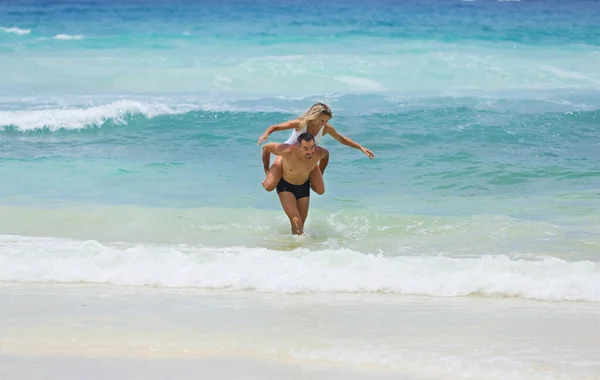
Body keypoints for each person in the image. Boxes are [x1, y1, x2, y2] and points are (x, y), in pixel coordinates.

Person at [257, 102, 374, 193]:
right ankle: (271, 174)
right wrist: (266, 134)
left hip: (307, 156)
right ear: (314, 115)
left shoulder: (326, 128)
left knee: (320, 190)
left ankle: (312, 177)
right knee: (269, 186)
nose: (323, 123)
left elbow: (342, 139)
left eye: (326, 121)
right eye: (321, 120)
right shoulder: (301, 123)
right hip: (288, 154)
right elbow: (276, 127)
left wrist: (360, 147)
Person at [262, 132, 328, 235]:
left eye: (312, 147)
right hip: (285, 185)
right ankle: (296, 247)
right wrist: (266, 169)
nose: (310, 151)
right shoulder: (287, 151)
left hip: (303, 186)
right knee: (296, 221)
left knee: (301, 224)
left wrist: (320, 172)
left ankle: (297, 248)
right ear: (298, 147)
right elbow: (266, 148)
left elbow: (326, 156)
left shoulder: (318, 153)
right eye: (306, 148)